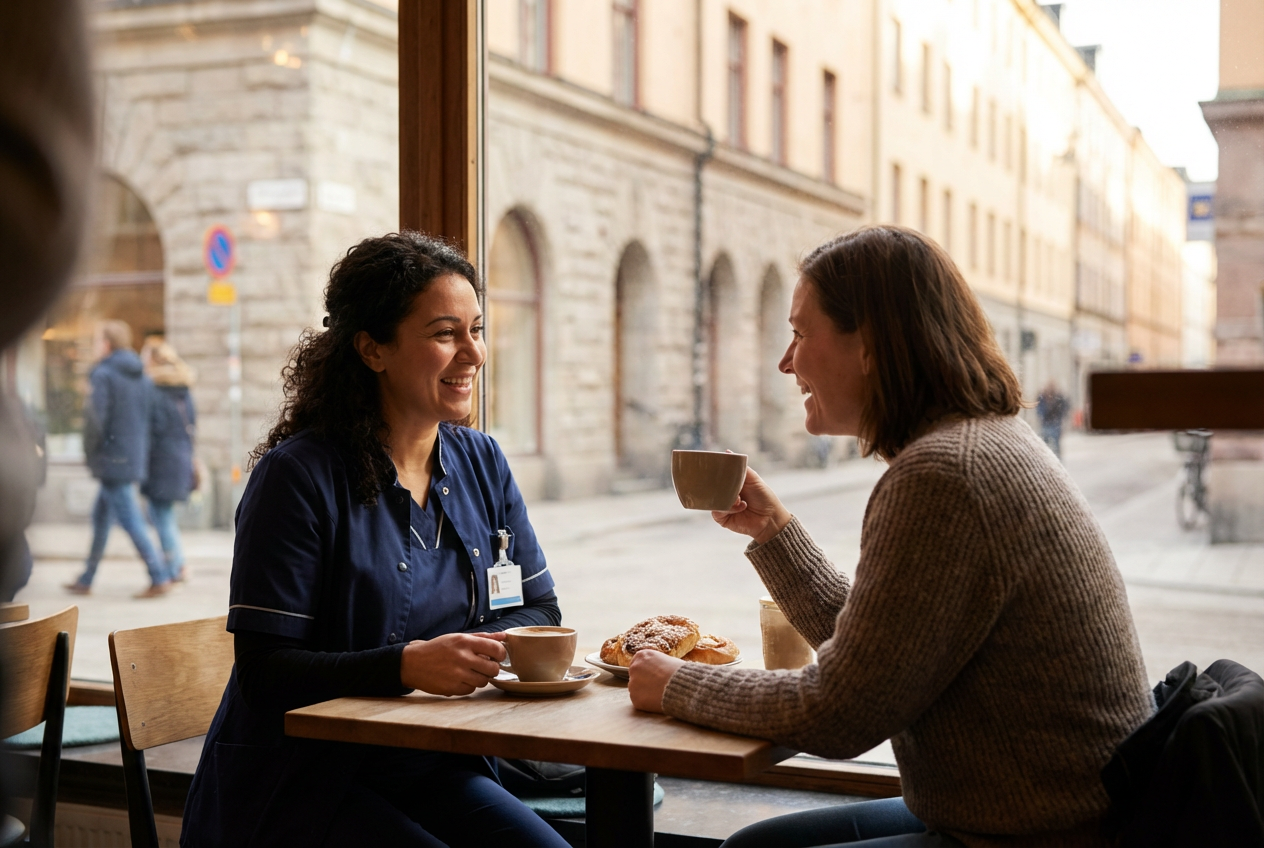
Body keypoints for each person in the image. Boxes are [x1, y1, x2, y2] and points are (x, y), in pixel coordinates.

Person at [628, 225, 1153, 847]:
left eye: (799, 333)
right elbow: (887, 658)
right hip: (1045, 816)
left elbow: (840, 713)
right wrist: (774, 533)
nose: (786, 361)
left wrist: (677, 685)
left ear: (871, 344)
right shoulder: (981, 443)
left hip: (1042, 835)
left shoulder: (945, 473)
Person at [182, 233, 569, 847]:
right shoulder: (298, 476)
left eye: (476, 329)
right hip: (304, 782)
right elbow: (265, 674)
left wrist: (471, 651)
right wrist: (408, 664)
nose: (473, 353)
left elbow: (538, 608)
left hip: (431, 762)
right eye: (445, 333)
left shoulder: (481, 460)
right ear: (372, 350)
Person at [66, 320, 173, 598]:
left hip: (112, 459)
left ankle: (159, 575)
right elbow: (150, 418)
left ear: (107, 344)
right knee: (101, 517)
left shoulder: (103, 374)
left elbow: (94, 419)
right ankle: (87, 577)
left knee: (131, 519)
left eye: (96, 341)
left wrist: (90, 451)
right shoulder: (142, 376)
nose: (94, 347)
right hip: (131, 456)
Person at [141, 338, 197, 583]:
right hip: (181, 459)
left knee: (160, 515)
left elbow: (151, 429)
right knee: (163, 514)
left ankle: (176, 566)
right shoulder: (184, 389)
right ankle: (176, 564)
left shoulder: (152, 389)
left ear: (153, 360)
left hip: (161, 461)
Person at [1036, 380, 1070, 458]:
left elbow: (1064, 408)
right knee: (1044, 445)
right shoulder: (1042, 397)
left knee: (1056, 446)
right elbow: (1039, 409)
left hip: (1055, 424)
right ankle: (1045, 459)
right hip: (1046, 423)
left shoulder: (1059, 397)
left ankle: (1057, 461)